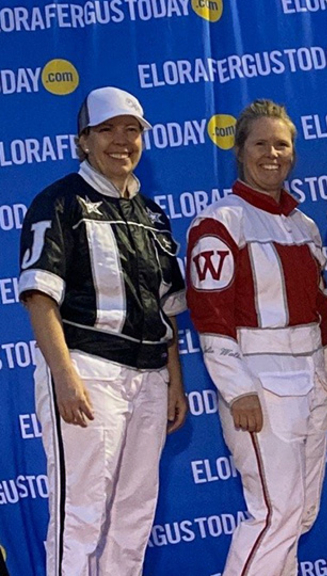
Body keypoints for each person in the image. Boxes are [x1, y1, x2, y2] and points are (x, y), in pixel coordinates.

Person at [18, 86, 187, 575]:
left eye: (131, 130)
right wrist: (66, 378)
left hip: (150, 379)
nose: (121, 141)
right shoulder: (58, 202)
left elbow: (166, 308)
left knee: (133, 518)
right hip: (88, 371)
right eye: (107, 130)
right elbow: (39, 298)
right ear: (83, 140)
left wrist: (174, 379)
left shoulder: (153, 215)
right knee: (82, 516)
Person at [186, 99, 327, 575]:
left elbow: (321, 314)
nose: (272, 153)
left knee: (300, 514)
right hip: (260, 384)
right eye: (260, 143)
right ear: (240, 152)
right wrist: (238, 391)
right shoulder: (219, 222)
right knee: (275, 514)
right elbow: (209, 316)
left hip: (310, 384)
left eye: (282, 144)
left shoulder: (305, 226)